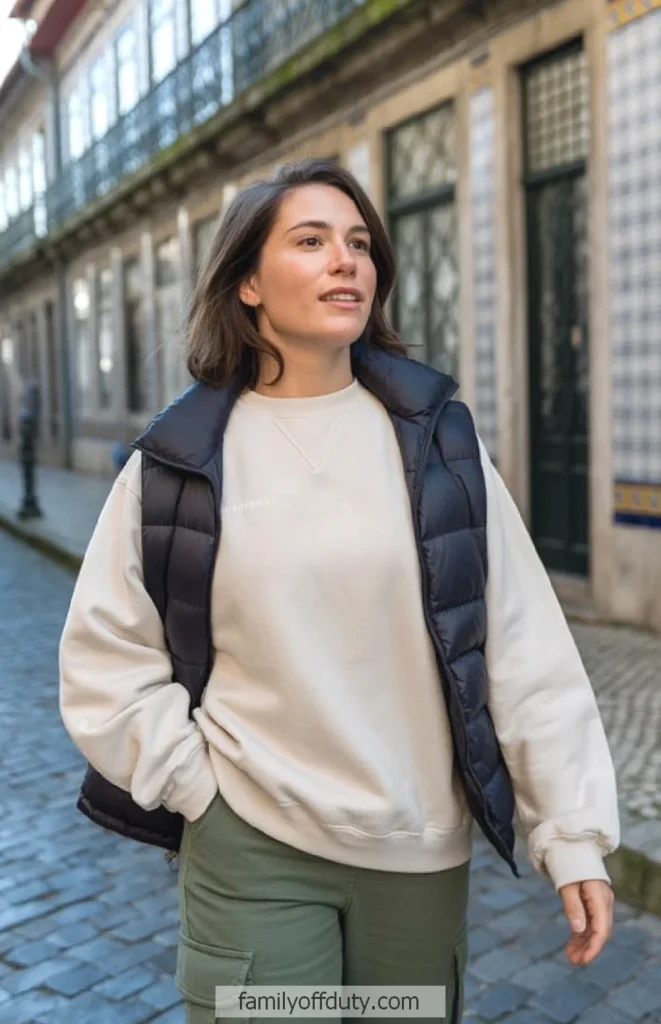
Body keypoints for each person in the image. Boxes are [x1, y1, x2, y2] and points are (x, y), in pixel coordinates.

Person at [59, 158, 619, 1023]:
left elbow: (518, 642)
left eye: (358, 243)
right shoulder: (177, 460)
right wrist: (195, 787)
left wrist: (571, 831)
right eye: (311, 241)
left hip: (418, 852)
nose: (345, 260)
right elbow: (106, 657)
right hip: (253, 845)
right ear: (247, 281)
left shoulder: (439, 444)